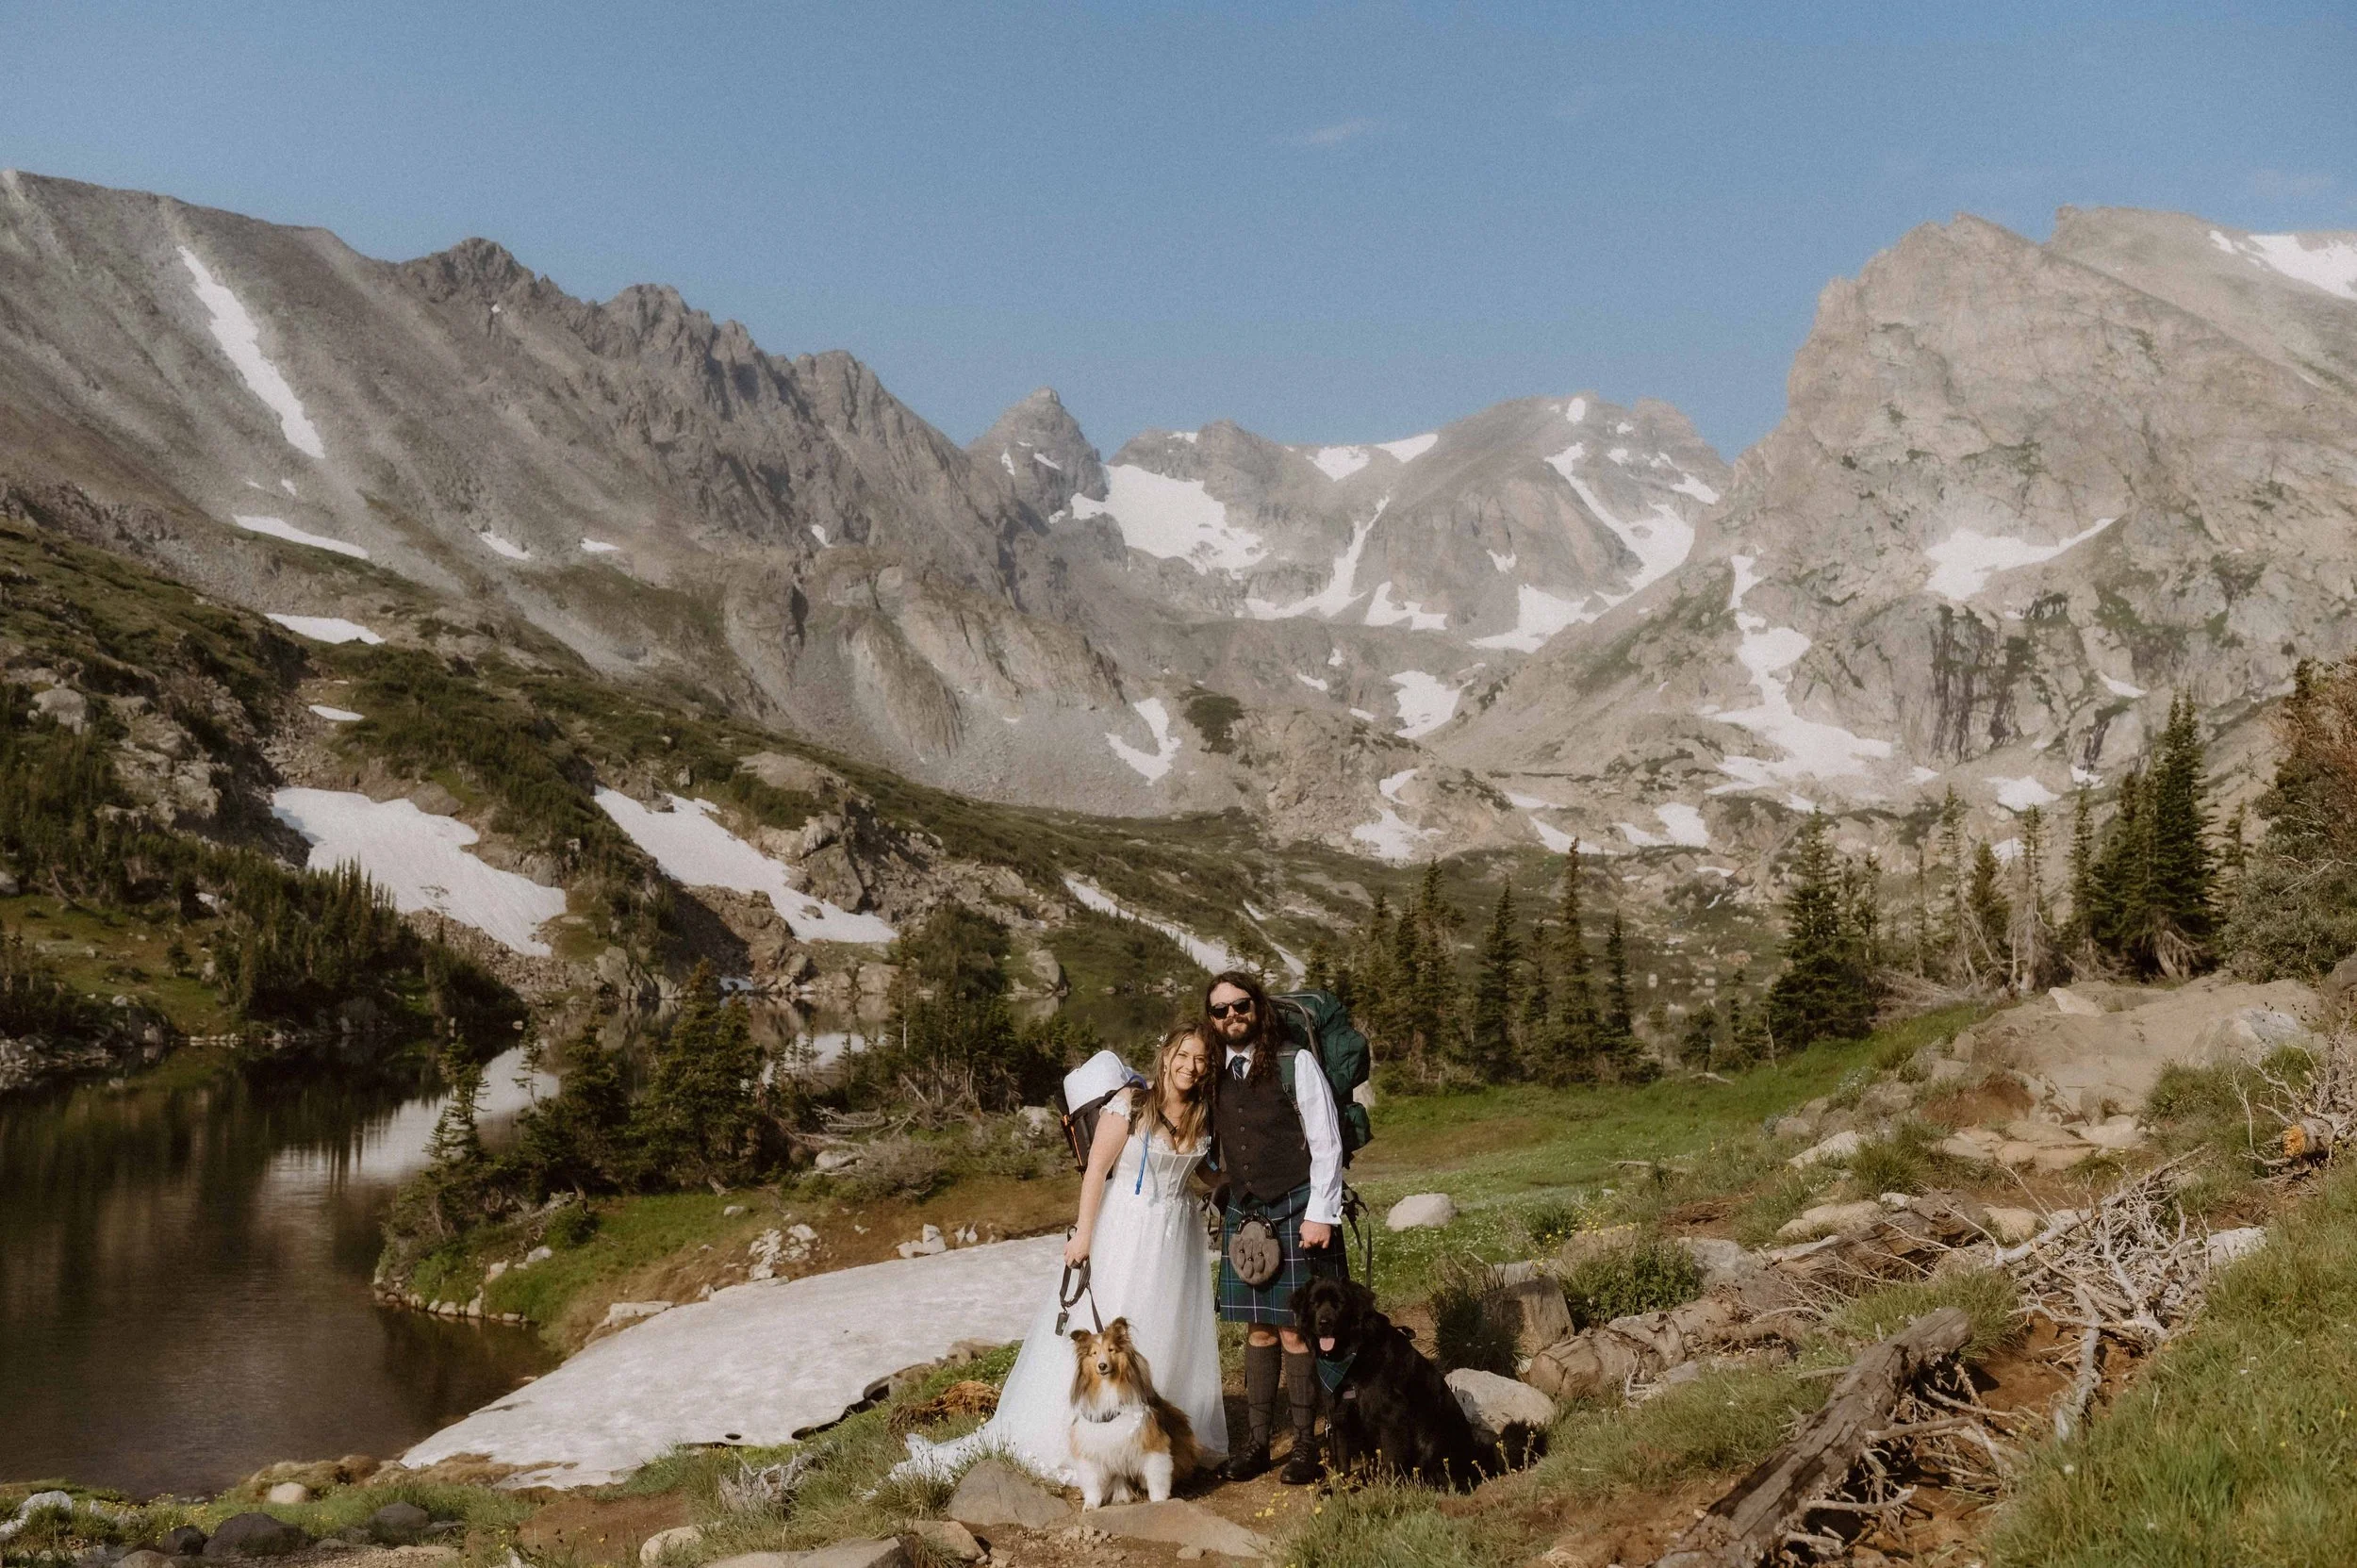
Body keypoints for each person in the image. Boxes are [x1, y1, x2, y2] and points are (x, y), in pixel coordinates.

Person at [894, 1026, 1226, 1483]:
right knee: (1111, 1324)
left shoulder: (1202, 1115)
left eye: (1202, 1059)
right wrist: (1083, 1235)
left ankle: (1147, 1442)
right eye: (1183, 1055)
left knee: (1167, 1326)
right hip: (1125, 1229)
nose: (1191, 1066)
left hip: (1175, 1236)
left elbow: (1207, 1174)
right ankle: (1085, 1435)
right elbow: (1096, 1173)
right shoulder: (1131, 1103)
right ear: (1166, 1055)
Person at [1204, 969, 1346, 1484]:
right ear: (1212, 1019)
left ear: (1257, 1008)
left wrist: (1320, 1214)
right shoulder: (1212, 1071)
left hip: (1298, 1207)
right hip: (1246, 1214)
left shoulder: (1295, 1062)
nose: (1231, 1017)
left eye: (1240, 1006)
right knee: (1258, 1329)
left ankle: (1309, 1444)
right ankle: (1258, 1444)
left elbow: (1326, 1142)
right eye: (1220, 1010)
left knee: (1295, 1330)